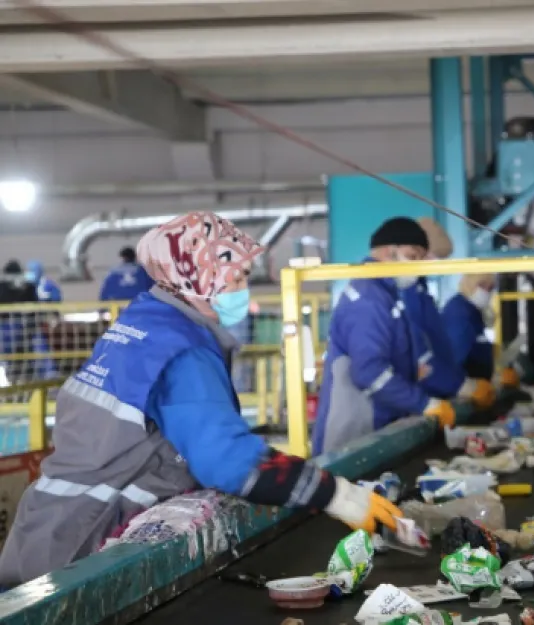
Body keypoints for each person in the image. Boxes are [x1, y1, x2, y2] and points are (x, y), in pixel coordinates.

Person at [0, 212, 403, 587]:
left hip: (45, 530)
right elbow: (228, 461)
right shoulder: (180, 350)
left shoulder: (146, 321)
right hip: (79, 549)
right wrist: (337, 494)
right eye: (237, 278)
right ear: (198, 275)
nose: (244, 291)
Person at [313, 217, 457, 454]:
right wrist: (423, 403)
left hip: (374, 428)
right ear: (390, 252)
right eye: (413, 257)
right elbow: (370, 372)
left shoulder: (386, 295)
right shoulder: (369, 299)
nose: (418, 267)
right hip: (353, 435)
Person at [404, 219, 495, 410]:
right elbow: (423, 355)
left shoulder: (421, 293)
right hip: (420, 395)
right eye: (434, 257)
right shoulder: (408, 295)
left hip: (433, 390)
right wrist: (460, 385)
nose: (435, 264)